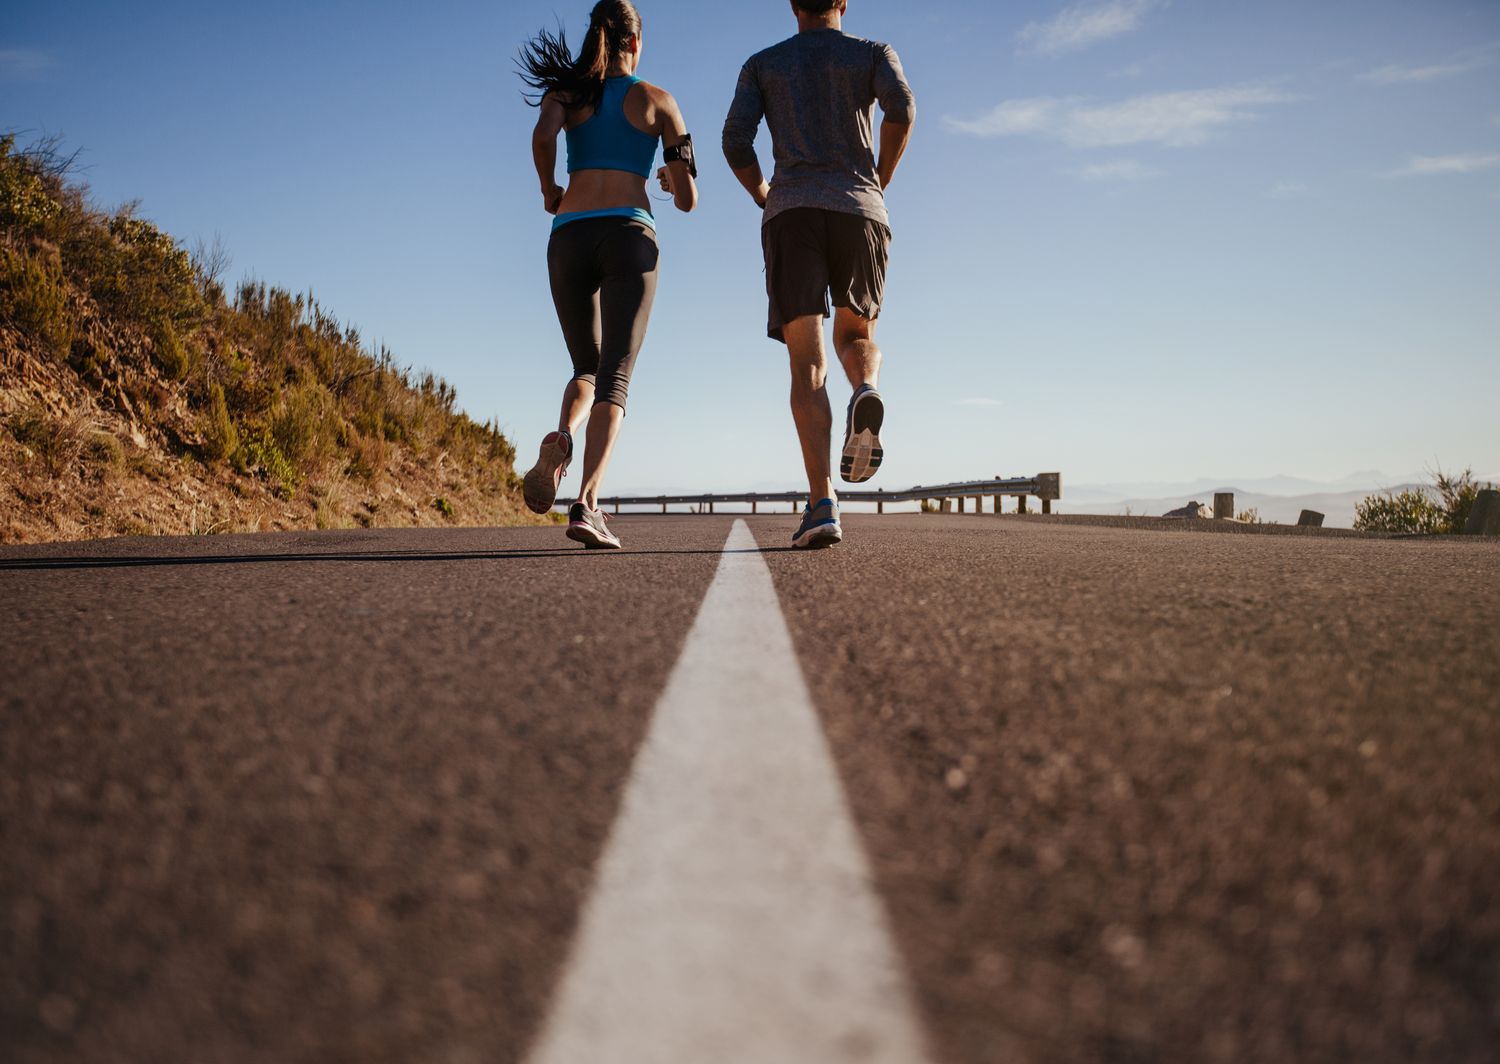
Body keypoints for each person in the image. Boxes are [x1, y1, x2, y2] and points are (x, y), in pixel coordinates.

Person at [722, 0, 913, 549]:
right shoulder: (873, 54)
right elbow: (903, 108)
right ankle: (867, 388)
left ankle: (823, 504)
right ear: (843, 2)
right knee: (856, 337)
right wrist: (878, 179)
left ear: (793, 4)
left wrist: (765, 194)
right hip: (861, 211)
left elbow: (735, 141)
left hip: (793, 213)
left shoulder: (763, 64)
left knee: (807, 363)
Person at [518, 0, 697, 548]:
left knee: (585, 366)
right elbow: (688, 198)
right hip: (629, 236)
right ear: (637, 44)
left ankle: (563, 436)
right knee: (614, 374)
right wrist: (667, 179)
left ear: (594, 36)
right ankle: (588, 501)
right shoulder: (659, 101)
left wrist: (550, 189)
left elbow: (542, 136)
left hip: (568, 236)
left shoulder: (567, 93)